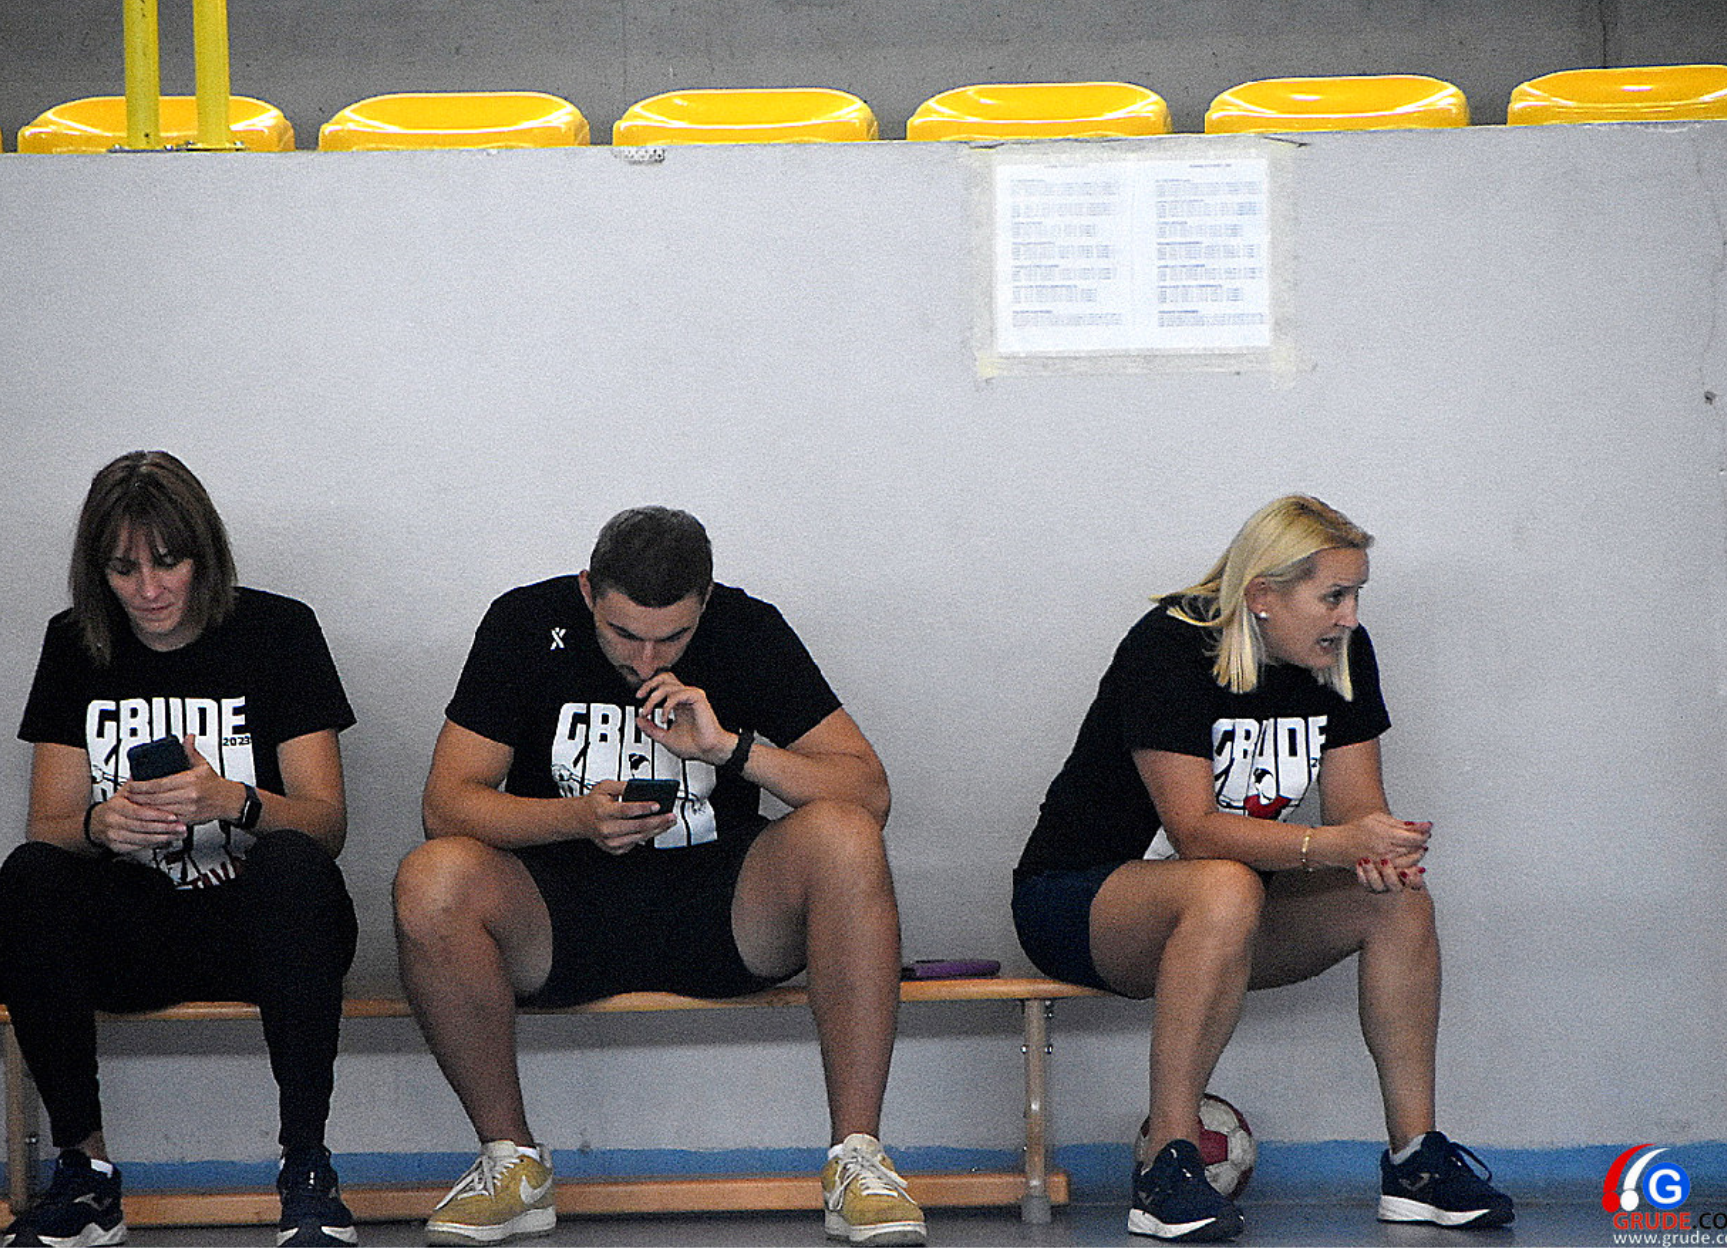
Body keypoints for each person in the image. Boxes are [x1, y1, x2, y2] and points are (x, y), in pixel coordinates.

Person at [395, 506, 923, 1247]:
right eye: (623, 634)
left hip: (723, 909)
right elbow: (445, 806)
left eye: (672, 637)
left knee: (846, 835)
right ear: (588, 591)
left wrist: (730, 749)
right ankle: (511, 1163)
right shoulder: (525, 622)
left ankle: (857, 1159)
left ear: (705, 602)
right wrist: (576, 818)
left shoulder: (746, 627)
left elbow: (870, 792)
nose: (646, 661)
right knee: (431, 878)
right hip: (558, 911)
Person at [1012, 495, 1513, 1243]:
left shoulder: (1341, 655)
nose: (1349, 617)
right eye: (1333, 597)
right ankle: (1167, 1166)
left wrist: (1378, 848)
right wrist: (1332, 846)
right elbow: (1193, 830)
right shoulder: (1169, 646)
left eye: (1357, 595)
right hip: (1079, 900)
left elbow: (1355, 813)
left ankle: (1415, 1163)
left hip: (1230, 908)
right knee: (1222, 881)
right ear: (1262, 595)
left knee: (1399, 901)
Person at [0, 451, 361, 1248]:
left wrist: (234, 801)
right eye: (123, 569)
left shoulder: (278, 632)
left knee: (295, 866)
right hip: (135, 929)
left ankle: (306, 1166)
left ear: (205, 556)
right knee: (30, 876)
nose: (148, 590)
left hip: (258, 926)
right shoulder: (75, 643)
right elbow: (47, 825)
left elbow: (327, 825)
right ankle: (86, 1173)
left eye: (168, 563)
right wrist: (102, 825)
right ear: (97, 572)